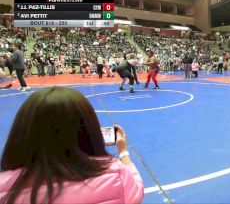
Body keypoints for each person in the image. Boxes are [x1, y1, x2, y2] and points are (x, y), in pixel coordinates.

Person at [0, 87, 144, 203]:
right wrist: (123, 152)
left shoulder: (5, 186)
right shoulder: (114, 174)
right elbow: (136, 191)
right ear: (88, 129)